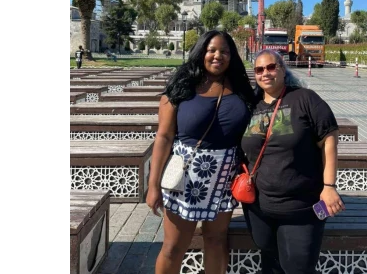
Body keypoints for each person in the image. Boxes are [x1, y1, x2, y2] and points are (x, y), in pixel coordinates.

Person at [146, 30, 255, 274]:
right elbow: (163, 137)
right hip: (185, 177)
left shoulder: (240, 87)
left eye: (224, 51)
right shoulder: (182, 87)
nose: (218, 56)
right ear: (201, 52)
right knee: (174, 246)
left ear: (232, 56)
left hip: (224, 178)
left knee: (216, 242)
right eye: (211, 50)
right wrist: (153, 185)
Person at [240, 49, 344, 274]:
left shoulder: (305, 98)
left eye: (271, 67)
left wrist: (329, 186)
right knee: (270, 264)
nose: (265, 73)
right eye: (259, 69)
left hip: (302, 207)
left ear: (282, 69)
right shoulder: (252, 106)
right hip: (258, 208)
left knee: (298, 268)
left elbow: (329, 139)